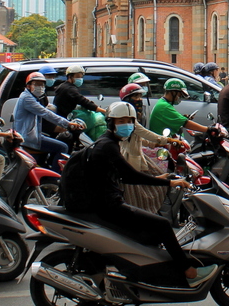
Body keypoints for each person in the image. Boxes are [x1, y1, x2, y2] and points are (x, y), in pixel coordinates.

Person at [61, 101, 216, 287]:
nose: (127, 125)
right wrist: (169, 182)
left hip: (105, 202)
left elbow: (122, 174)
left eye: (129, 121)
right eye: (121, 121)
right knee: (163, 225)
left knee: (150, 233)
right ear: (111, 123)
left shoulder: (107, 142)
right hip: (109, 206)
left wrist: (161, 177)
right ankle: (189, 271)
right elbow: (129, 176)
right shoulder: (108, 146)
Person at [112, 92, 185, 213]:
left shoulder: (134, 119)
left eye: (140, 96)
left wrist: (155, 144)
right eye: (136, 97)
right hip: (131, 161)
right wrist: (168, 140)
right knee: (141, 193)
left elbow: (140, 138)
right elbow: (146, 133)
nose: (139, 100)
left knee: (159, 178)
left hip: (138, 158)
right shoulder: (130, 122)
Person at [13, 72, 81, 170]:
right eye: (36, 84)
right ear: (28, 86)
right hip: (27, 138)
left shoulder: (34, 97)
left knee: (54, 140)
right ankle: (55, 177)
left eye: (42, 84)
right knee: (63, 147)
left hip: (32, 134)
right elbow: (45, 113)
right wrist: (67, 124)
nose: (40, 87)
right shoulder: (27, 99)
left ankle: (48, 166)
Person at [53, 65, 106, 150]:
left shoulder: (65, 86)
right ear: (70, 77)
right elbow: (84, 102)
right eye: (77, 76)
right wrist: (103, 111)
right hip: (64, 118)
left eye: (81, 76)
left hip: (63, 117)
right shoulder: (69, 89)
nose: (80, 79)